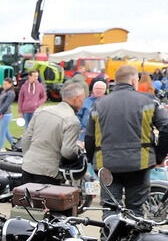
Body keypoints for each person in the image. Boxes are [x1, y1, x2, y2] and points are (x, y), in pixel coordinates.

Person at [86, 65, 168, 214]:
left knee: (110, 209)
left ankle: (109, 236)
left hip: (107, 164)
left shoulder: (98, 104)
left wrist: (92, 160)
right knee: (135, 210)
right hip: (139, 164)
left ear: (115, 81)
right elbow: (166, 128)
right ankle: (133, 237)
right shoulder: (149, 101)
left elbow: (89, 136)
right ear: (133, 81)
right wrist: (159, 156)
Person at [20, 83, 87, 185]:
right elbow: (67, 151)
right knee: (46, 200)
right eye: (82, 100)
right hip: (49, 171)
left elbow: (26, 140)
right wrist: (77, 151)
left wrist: (29, 158)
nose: (83, 103)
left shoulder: (41, 111)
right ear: (76, 99)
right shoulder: (72, 121)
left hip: (28, 166)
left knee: (26, 199)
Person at [0, 77, 17, 151]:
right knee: (6, 133)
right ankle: (16, 146)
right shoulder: (4, 91)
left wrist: (0, 113)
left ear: (10, 84)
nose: (4, 85)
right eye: (3, 84)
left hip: (6, 115)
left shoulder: (11, 93)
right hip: (2, 114)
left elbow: (6, 104)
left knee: (2, 133)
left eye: (5, 84)